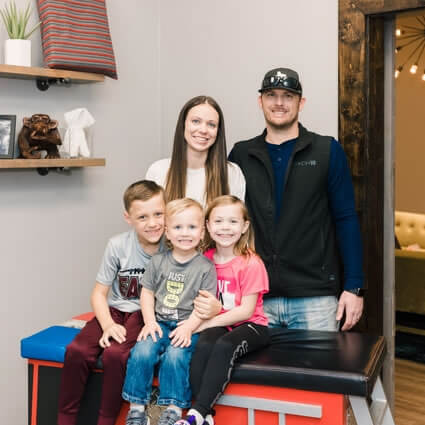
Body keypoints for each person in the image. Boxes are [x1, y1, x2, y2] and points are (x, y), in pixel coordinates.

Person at [228, 67, 364, 332]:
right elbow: (226, 222)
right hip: (255, 297)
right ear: (261, 102)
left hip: (316, 298)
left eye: (288, 96)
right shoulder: (242, 154)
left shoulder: (326, 150)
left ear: (301, 102)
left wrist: (354, 286)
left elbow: (346, 219)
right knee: (259, 375)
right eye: (271, 95)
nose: (279, 103)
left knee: (318, 374)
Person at [58, 180, 166, 425]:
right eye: (143, 217)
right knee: (77, 351)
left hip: (144, 315)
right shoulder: (118, 245)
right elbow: (98, 294)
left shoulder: (172, 246)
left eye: (159, 214)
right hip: (115, 311)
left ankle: (106, 419)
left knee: (115, 355)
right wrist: (107, 324)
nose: (153, 223)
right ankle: (65, 418)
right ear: (128, 218)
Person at [175, 195, 269, 425]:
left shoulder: (251, 263)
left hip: (251, 325)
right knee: (204, 345)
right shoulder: (204, 259)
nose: (225, 228)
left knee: (224, 346)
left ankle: (196, 413)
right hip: (219, 322)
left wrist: (205, 323)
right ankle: (205, 416)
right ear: (207, 225)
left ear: (245, 226)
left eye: (233, 222)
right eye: (218, 221)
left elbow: (246, 311)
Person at [122, 198, 217, 425]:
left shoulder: (205, 267)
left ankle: (173, 409)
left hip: (188, 325)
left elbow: (204, 306)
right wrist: (149, 322)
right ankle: (136, 408)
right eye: (177, 227)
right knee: (142, 351)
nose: (185, 233)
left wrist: (188, 328)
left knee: (176, 355)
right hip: (160, 322)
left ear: (202, 232)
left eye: (192, 227)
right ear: (167, 232)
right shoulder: (158, 261)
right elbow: (147, 293)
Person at [146, 95, 245, 207]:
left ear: (218, 132)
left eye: (211, 124)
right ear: (183, 125)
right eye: (196, 121)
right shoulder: (158, 171)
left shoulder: (232, 173)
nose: (203, 130)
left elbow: (236, 221)